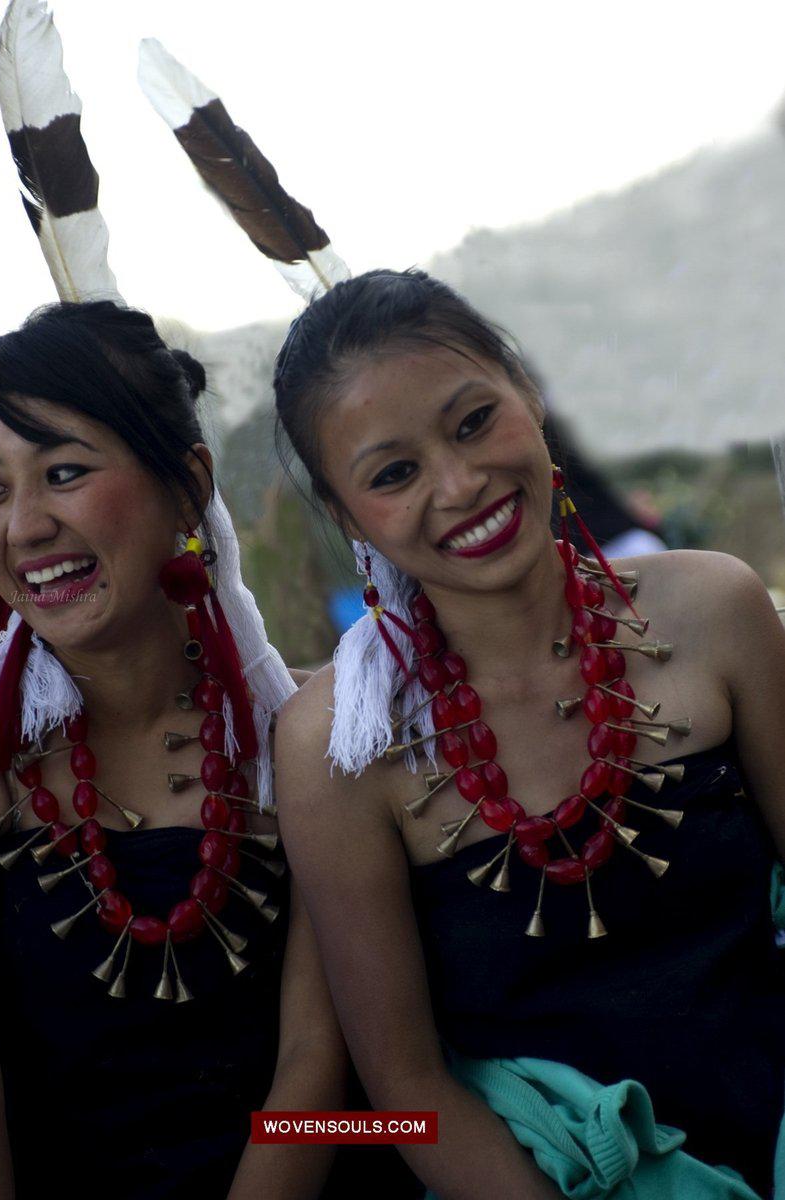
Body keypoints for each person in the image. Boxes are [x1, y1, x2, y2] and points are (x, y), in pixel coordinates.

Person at [272, 268, 785, 1198]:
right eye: (394, 474)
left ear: (529, 392)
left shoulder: (717, 609)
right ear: (347, 516)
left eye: (473, 421)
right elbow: (401, 1088)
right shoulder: (337, 749)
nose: (462, 483)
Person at [0, 300, 350, 1200]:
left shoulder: (307, 728)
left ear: (188, 486)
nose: (22, 527)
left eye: (62, 472)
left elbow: (319, 1073)